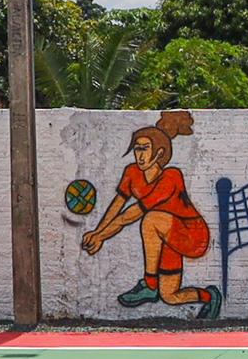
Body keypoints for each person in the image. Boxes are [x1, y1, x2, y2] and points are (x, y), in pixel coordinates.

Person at [77, 107, 214, 313]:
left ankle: (149, 283)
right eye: (137, 149)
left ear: (159, 153)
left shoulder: (171, 177)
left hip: (191, 235)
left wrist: (101, 236)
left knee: (150, 219)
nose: (139, 155)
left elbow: (131, 215)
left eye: (145, 149)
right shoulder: (132, 173)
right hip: (166, 237)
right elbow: (117, 206)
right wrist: (98, 233)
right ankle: (210, 296)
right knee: (169, 296)